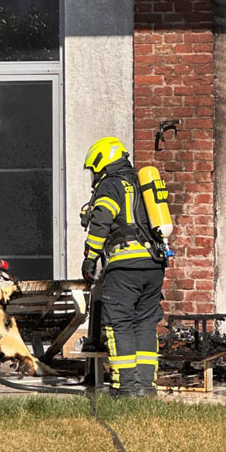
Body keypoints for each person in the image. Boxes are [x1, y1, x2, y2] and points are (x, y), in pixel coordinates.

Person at [81, 137, 165, 397]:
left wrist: (90, 258)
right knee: (145, 322)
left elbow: (101, 223)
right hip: (154, 265)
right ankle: (145, 387)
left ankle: (124, 387)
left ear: (102, 162)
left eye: (94, 169)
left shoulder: (110, 185)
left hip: (125, 265)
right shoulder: (142, 183)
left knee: (119, 323)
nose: (94, 175)